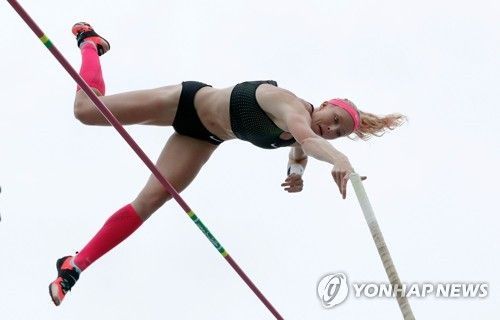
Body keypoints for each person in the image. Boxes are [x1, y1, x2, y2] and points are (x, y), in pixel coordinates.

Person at [49, 22, 406, 306]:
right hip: (186, 102)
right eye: (334, 120)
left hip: (202, 139)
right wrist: (338, 159)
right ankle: (90, 43)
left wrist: (296, 175)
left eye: (337, 134)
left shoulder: (303, 134)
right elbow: (308, 139)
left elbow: (300, 149)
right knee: (87, 111)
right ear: (325, 103)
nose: (329, 129)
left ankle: (73, 266)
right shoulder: (291, 106)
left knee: (151, 201)